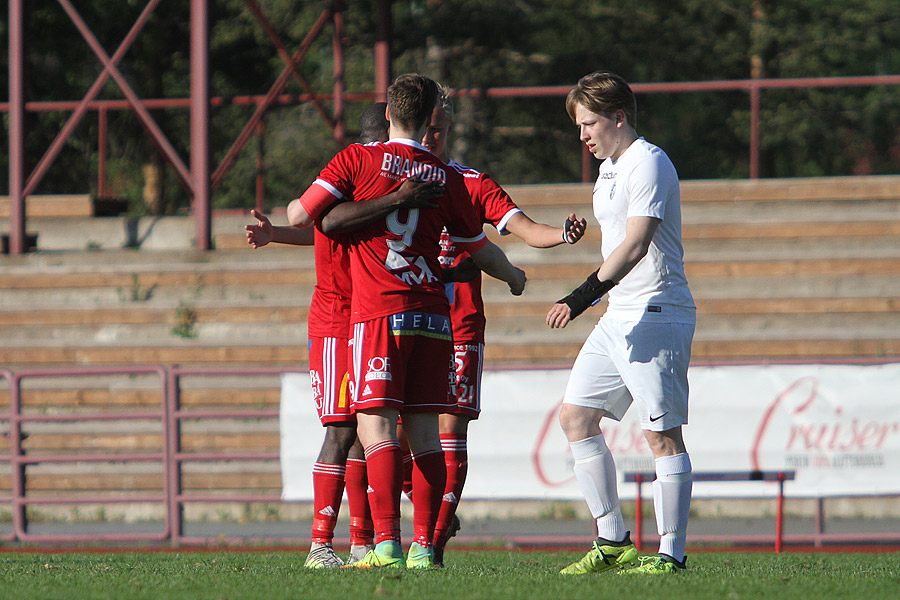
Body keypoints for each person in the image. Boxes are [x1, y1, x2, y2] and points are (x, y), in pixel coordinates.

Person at [287, 73, 527, 569]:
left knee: (374, 427)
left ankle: (385, 546)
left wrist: (288, 216)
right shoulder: (445, 174)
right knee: (423, 435)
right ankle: (424, 550)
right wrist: (514, 276)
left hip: (380, 312)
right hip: (435, 316)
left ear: (390, 115)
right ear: (431, 119)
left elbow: (304, 217)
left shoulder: (358, 159)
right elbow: (474, 244)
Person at [246, 102, 445, 568]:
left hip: (375, 318)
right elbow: (323, 223)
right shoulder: (359, 175)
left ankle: (362, 541)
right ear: (379, 141)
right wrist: (279, 232)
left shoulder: (376, 188)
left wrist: (276, 234)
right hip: (338, 322)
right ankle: (320, 545)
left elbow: (330, 226)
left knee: (368, 433)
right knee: (341, 429)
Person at [416, 84, 588, 566]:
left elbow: (522, 227)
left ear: (449, 130)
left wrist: (562, 235)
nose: (433, 139)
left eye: (441, 131)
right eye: (427, 130)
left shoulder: (470, 182)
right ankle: (427, 516)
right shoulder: (396, 178)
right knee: (399, 433)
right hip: (404, 319)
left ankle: (431, 544)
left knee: (450, 430)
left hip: (458, 326)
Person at [546, 71, 695, 575]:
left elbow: (635, 246)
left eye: (588, 123)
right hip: (619, 313)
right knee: (576, 418)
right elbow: (616, 236)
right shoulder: (610, 168)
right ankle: (612, 541)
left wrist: (579, 296)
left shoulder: (648, 162)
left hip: (656, 311)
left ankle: (670, 554)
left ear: (618, 117)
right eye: (578, 125)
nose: (582, 134)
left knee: (661, 437)